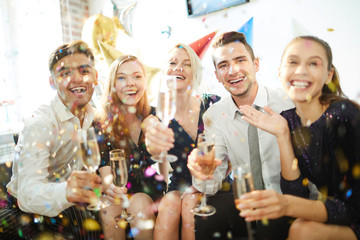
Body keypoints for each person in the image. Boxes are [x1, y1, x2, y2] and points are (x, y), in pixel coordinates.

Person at [237, 36, 360, 240]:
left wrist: (285, 205)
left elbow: (353, 208)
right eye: (293, 62)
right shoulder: (289, 120)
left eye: (313, 63)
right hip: (342, 214)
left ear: (328, 75)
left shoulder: (344, 116)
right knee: (300, 227)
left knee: (302, 229)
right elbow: (297, 195)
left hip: (354, 215)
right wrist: (282, 134)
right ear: (280, 72)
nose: (301, 70)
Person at [187, 31, 299, 240]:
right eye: (223, 65)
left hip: (288, 198)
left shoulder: (288, 102)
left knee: (270, 224)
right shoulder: (214, 115)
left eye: (240, 60)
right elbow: (212, 183)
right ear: (217, 76)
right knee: (205, 219)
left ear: (256, 64)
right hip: (244, 202)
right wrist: (204, 172)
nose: (233, 70)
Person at [1, 40, 103, 239]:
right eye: (65, 73)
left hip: (67, 205)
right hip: (24, 212)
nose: (77, 79)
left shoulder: (93, 117)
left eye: (84, 70)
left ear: (95, 77)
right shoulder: (40, 124)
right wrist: (68, 191)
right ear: (52, 82)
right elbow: (28, 194)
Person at [144, 43, 220, 240]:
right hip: (180, 184)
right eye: (172, 62)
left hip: (215, 181)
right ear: (164, 71)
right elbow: (149, 130)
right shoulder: (158, 115)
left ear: (194, 72)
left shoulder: (213, 103)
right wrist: (150, 134)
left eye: (186, 64)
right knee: (169, 204)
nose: (178, 68)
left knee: (190, 204)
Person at [95, 55, 166, 240]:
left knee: (140, 202)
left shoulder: (156, 117)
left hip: (153, 195)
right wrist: (111, 188)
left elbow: (167, 163)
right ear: (112, 85)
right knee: (108, 205)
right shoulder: (101, 124)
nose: (130, 83)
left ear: (145, 81)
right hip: (120, 195)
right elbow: (105, 172)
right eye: (121, 78)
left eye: (137, 76)